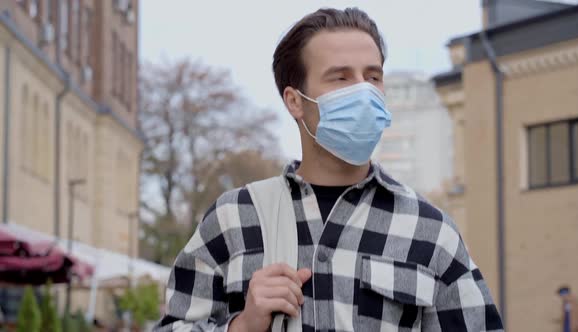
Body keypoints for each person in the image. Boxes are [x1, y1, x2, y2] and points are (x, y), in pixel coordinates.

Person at [154, 7, 504, 332]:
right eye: (340, 78)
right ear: (295, 101)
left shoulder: (430, 230)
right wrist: (242, 326)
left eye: (373, 77)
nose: (364, 92)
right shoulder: (234, 219)